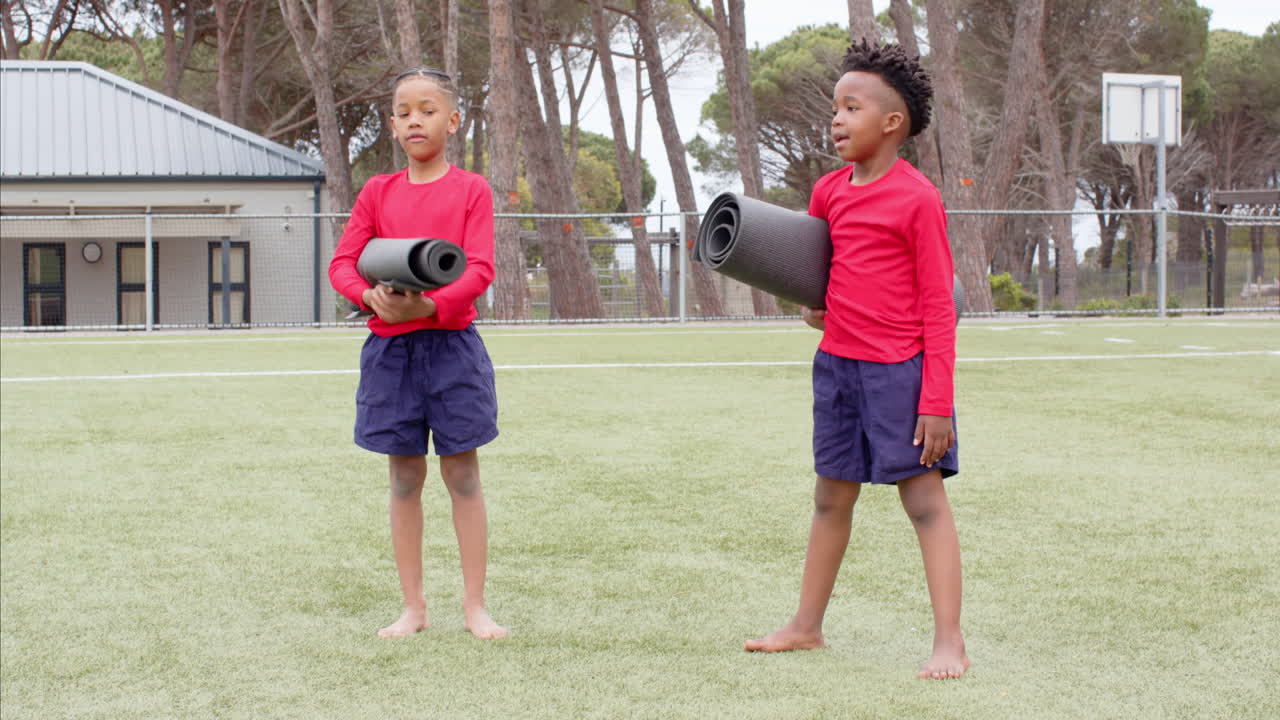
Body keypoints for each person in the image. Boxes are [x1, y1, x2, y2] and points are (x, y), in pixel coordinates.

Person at [744, 40, 968, 679]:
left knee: (924, 505)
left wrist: (937, 403)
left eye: (851, 107)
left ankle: (950, 640)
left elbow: (939, 309)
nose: (836, 120)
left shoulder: (918, 198)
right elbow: (816, 281)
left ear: (891, 123)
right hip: (837, 369)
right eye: (833, 109)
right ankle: (806, 627)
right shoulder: (827, 191)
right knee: (828, 499)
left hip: (901, 374)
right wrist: (813, 309)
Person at [329, 67, 506, 640]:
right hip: (389, 357)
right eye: (404, 111)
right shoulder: (377, 192)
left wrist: (429, 309)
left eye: (427, 109)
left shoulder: (471, 190)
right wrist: (370, 299)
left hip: (453, 349)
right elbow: (342, 264)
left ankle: (474, 606)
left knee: (463, 475)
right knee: (404, 479)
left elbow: (479, 268)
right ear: (392, 124)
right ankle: (414, 607)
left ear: (452, 121)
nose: (414, 120)